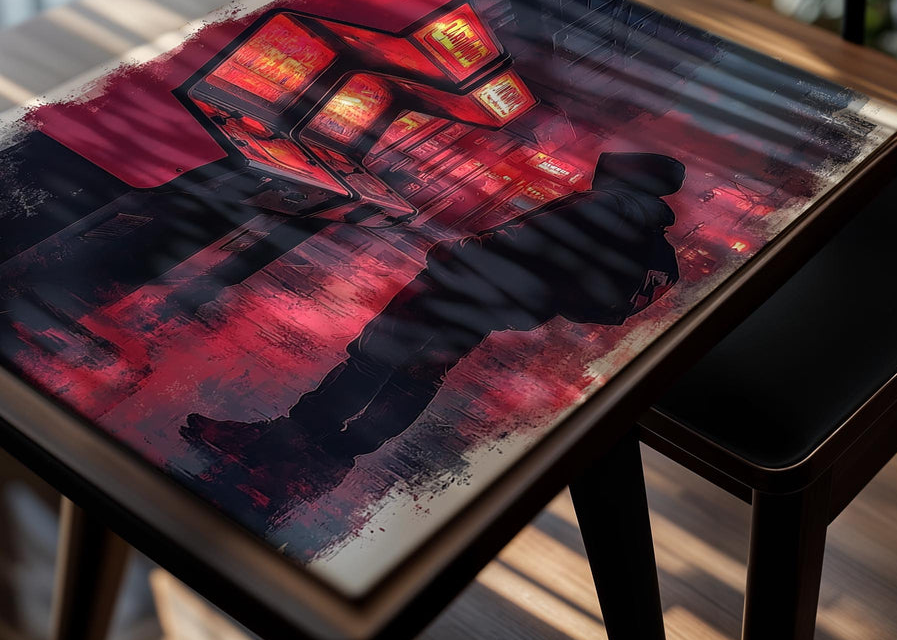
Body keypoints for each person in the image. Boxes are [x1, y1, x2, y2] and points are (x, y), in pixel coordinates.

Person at [182, 151, 684, 503]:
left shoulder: (608, 206)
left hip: (462, 286)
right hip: (491, 304)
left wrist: (456, 252)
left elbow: (528, 243)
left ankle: (286, 446)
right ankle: (331, 456)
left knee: (373, 361)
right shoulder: (649, 235)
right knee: (415, 376)